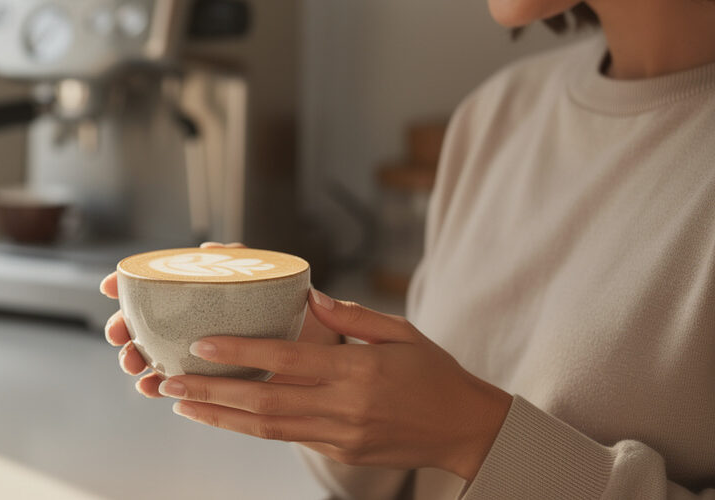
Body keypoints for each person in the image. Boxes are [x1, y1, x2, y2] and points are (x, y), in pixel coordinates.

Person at [99, 0, 715, 498]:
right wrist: (321, 367)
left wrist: (475, 437)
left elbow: (461, 440)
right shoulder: (499, 114)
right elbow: (408, 481)